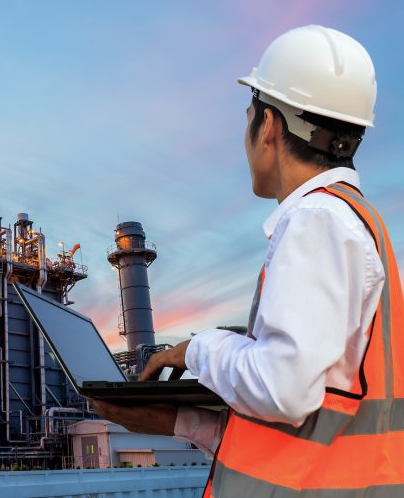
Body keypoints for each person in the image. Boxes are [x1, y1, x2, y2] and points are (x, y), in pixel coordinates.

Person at [90, 25, 404, 496]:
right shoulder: (354, 222)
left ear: (270, 126)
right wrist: (181, 421)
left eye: (248, 117)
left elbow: (282, 390)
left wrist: (197, 349)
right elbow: (304, 438)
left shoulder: (317, 220)